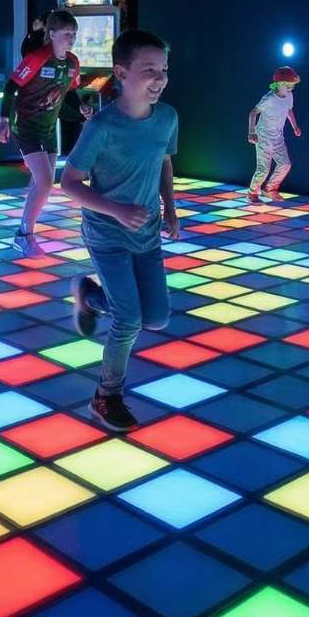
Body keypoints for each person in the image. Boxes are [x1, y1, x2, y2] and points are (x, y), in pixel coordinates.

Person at [60, 29, 179, 431]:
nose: (159, 79)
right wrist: (116, 210)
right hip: (106, 234)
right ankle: (105, 396)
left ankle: (88, 295)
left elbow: (164, 161)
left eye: (163, 70)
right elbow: (69, 183)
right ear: (122, 73)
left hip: (146, 234)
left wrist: (170, 209)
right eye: (149, 70)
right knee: (128, 320)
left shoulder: (167, 117)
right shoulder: (102, 127)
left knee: (156, 318)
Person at [0, 10, 94, 256]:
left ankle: (27, 222)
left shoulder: (72, 63)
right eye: (66, 33)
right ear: (51, 34)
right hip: (27, 126)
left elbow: (70, 91)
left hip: (49, 129)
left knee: (42, 182)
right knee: (44, 181)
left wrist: (80, 106)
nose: (71, 39)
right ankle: (23, 235)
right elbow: (11, 87)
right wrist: (4, 120)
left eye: (74, 33)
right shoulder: (37, 58)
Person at [246, 66, 302, 203]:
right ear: (280, 84)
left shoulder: (289, 96)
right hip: (263, 137)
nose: (292, 88)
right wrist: (251, 132)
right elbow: (253, 113)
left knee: (285, 164)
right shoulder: (269, 98)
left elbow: (289, 111)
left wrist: (295, 126)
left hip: (278, 138)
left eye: (292, 85)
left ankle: (270, 189)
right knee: (263, 169)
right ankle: (252, 192)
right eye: (289, 85)